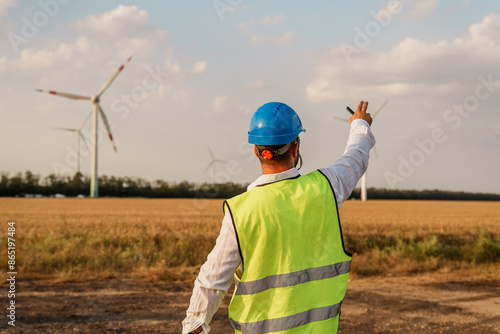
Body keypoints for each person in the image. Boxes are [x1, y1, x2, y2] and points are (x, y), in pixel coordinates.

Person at [182, 100, 375, 333]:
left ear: (256, 150)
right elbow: (356, 158)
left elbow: (211, 282)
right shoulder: (326, 187)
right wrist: (360, 124)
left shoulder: (241, 211)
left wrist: (193, 326)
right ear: (295, 147)